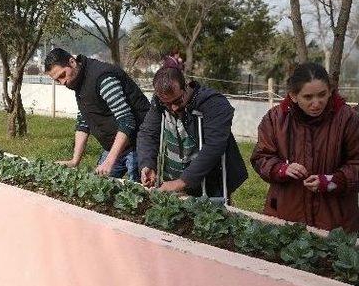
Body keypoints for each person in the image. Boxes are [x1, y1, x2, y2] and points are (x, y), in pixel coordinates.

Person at [251, 63, 359, 232]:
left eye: (322, 95)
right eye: (308, 97)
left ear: (330, 90)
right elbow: (260, 157)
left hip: (336, 222)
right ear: (293, 96)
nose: (316, 103)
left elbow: (356, 163)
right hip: (285, 215)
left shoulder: (348, 119)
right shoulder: (275, 119)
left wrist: (332, 181)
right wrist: (281, 169)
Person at [137, 61, 247, 201]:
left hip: (209, 181)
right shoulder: (159, 102)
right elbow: (147, 133)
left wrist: (181, 182)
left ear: (186, 87)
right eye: (167, 104)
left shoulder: (213, 103)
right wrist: (147, 164)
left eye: (177, 101)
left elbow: (214, 146)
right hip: (172, 177)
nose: (173, 108)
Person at [44, 48, 151, 181]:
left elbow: (127, 121)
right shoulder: (78, 82)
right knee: (98, 185)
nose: (62, 82)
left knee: (139, 193)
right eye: (57, 80)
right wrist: (74, 161)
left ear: (72, 62)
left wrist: (109, 161)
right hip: (114, 146)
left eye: (62, 75)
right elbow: (84, 120)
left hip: (138, 144)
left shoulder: (102, 77)